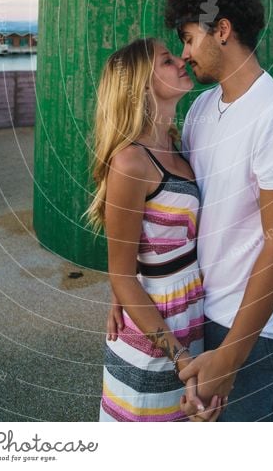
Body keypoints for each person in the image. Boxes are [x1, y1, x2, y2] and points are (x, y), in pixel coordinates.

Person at [110, 0, 273, 422]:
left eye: (187, 38)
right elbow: (170, 210)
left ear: (221, 30)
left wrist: (231, 356)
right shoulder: (201, 110)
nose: (183, 54)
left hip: (257, 329)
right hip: (202, 316)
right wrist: (126, 281)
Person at [86, 37, 222, 422]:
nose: (181, 61)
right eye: (166, 60)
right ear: (143, 85)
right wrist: (179, 355)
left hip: (190, 311)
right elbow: (122, 273)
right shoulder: (131, 162)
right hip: (155, 336)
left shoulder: (177, 144)